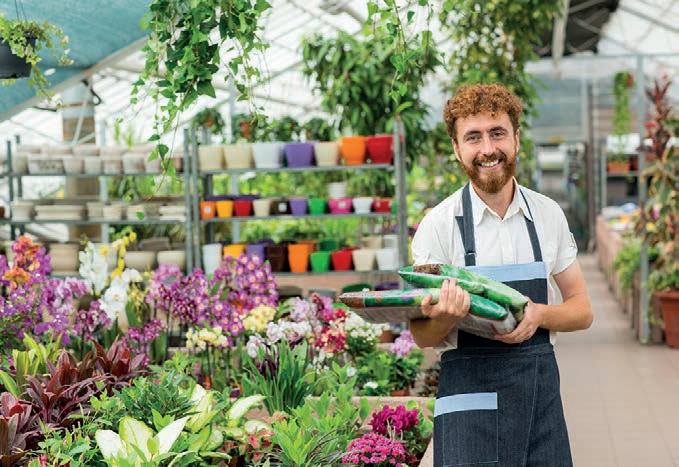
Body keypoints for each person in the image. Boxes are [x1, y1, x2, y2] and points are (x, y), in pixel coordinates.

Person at [409, 83, 593, 467]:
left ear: (516, 139)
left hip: (538, 401)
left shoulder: (547, 215)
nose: (488, 148)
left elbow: (582, 310)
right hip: (469, 405)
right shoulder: (439, 226)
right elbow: (422, 336)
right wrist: (446, 316)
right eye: (473, 137)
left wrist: (539, 315)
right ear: (456, 148)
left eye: (497, 133)